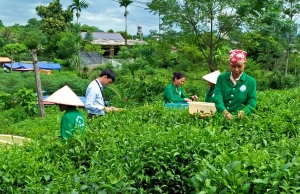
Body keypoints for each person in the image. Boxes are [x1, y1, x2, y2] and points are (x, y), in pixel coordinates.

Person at [214, 49, 257, 120]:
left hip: (239, 119)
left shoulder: (250, 81)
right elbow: (217, 97)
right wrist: (224, 111)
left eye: (239, 66)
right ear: (229, 64)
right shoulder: (221, 78)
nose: (236, 70)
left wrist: (245, 112)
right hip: (220, 117)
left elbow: (252, 102)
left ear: (244, 64)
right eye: (233, 66)